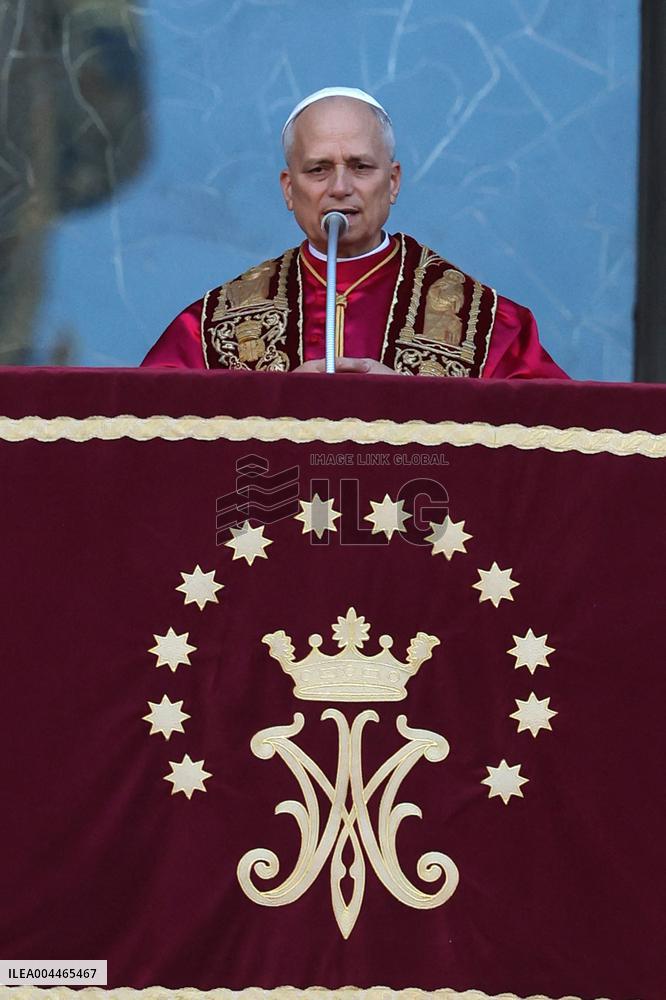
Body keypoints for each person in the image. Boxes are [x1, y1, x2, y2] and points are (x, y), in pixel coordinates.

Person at [142, 87, 567, 379]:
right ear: (289, 189)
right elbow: (149, 433)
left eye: (361, 167)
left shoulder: (488, 325)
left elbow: (552, 435)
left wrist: (420, 404)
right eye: (318, 169)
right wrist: (271, 403)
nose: (341, 187)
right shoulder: (210, 328)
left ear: (394, 181)